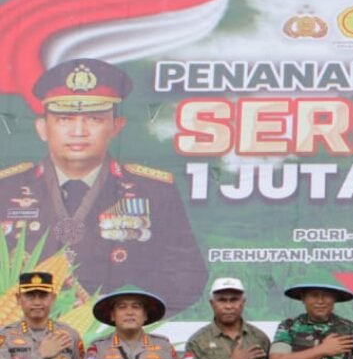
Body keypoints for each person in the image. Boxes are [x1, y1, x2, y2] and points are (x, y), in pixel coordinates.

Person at [0, 58, 206, 314]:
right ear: (42, 128)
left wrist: (126, 317)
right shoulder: (5, 190)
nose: (78, 131)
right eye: (64, 119)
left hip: (116, 340)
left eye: (94, 119)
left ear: (116, 126)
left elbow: (187, 276)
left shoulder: (152, 191)